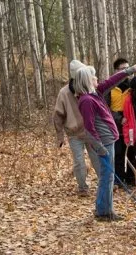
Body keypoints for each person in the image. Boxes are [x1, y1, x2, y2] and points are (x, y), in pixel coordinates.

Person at [73, 59, 136, 221]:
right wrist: (100, 148)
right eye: (94, 77)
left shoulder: (95, 93)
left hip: (108, 140)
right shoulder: (86, 101)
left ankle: (105, 210)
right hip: (104, 143)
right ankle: (103, 212)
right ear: (86, 80)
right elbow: (89, 129)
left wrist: (131, 69)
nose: (97, 79)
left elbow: (112, 80)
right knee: (107, 177)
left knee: (108, 177)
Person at [53, 60, 100, 197]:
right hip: (74, 133)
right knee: (79, 161)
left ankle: (104, 183)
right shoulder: (64, 93)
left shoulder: (91, 88)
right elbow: (58, 115)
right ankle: (82, 187)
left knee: (97, 158)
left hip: (91, 131)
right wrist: (60, 136)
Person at [107, 58, 136, 186]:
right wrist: (119, 118)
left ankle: (132, 179)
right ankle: (118, 180)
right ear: (116, 71)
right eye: (123, 69)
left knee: (131, 152)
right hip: (115, 124)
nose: (126, 71)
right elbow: (105, 108)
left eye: (128, 68)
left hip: (131, 124)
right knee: (118, 153)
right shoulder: (109, 86)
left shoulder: (133, 85)